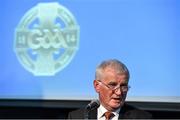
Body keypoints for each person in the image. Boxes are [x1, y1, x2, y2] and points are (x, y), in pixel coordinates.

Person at [68, 59, 152, 119]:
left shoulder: (142, 117)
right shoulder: (78, 117)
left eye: (123, 86)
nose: (119, 92)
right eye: (112, 85)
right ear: (97, 86)